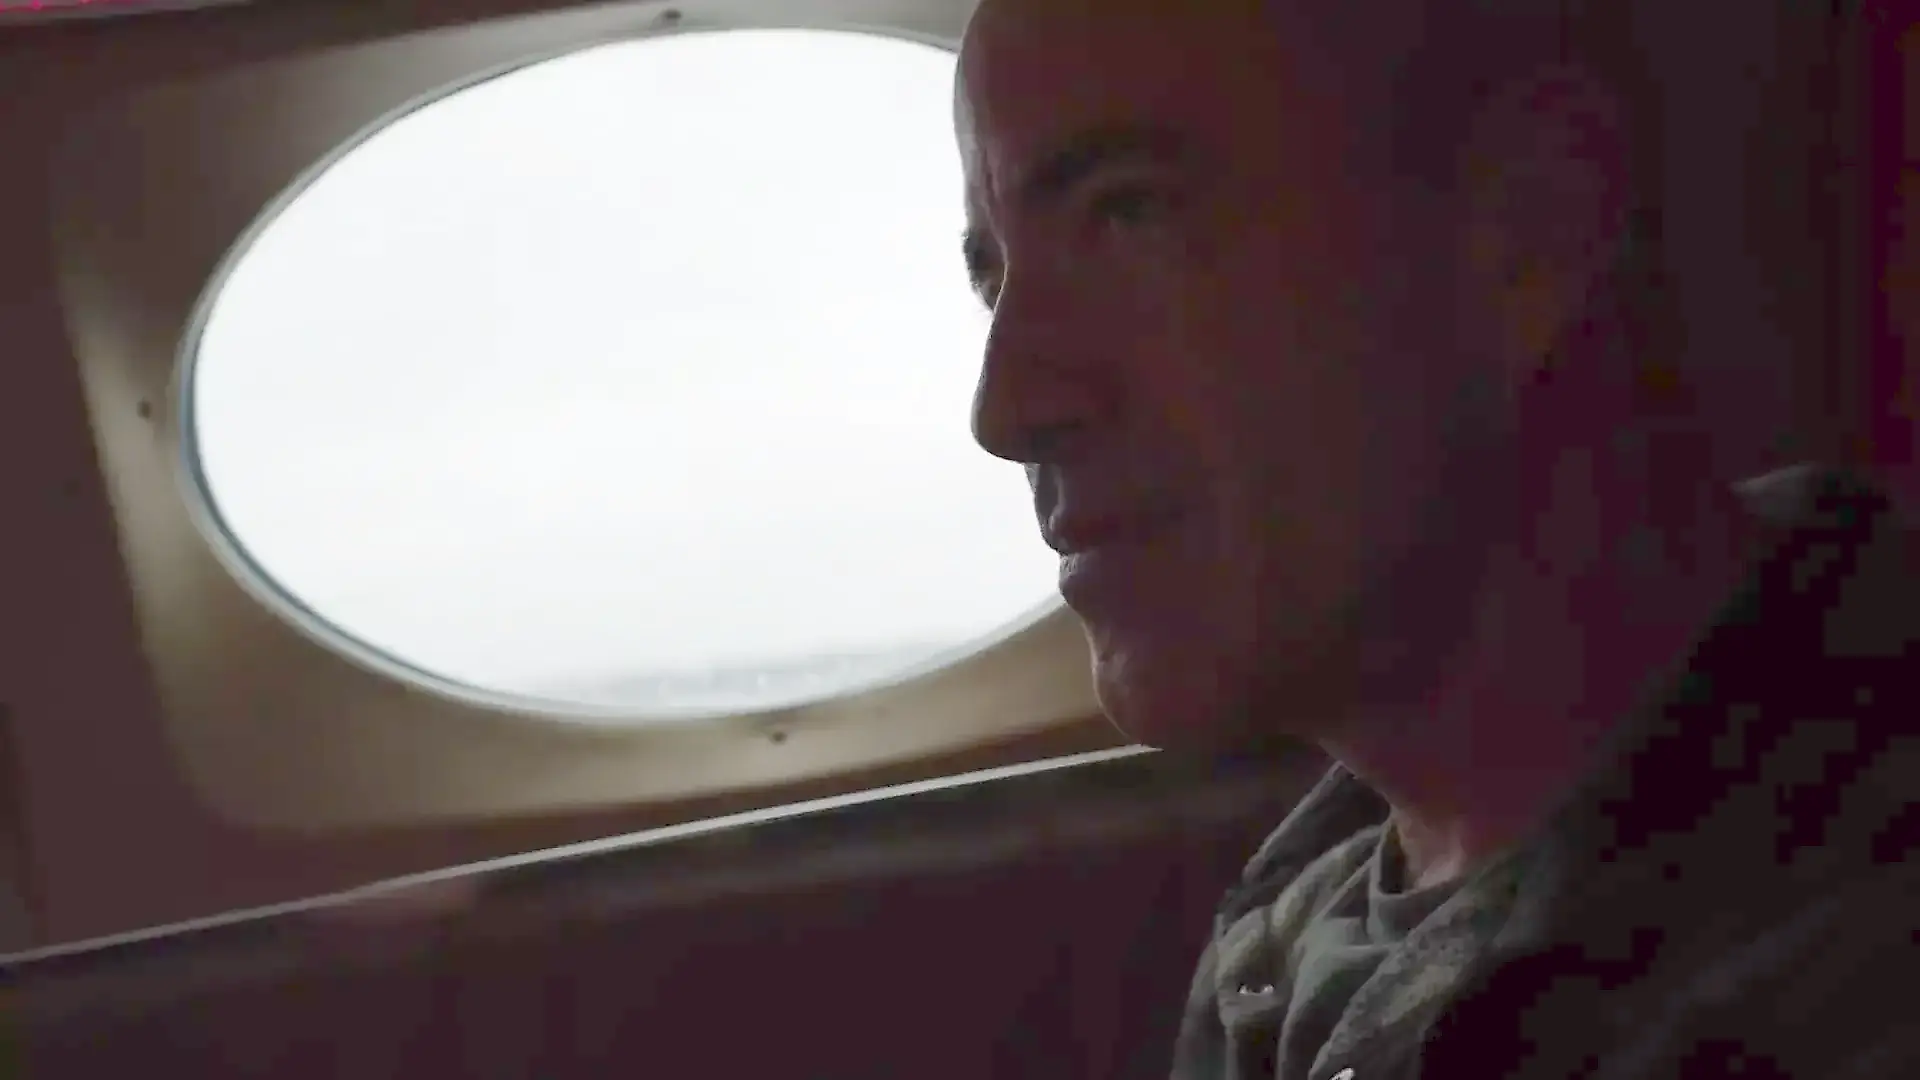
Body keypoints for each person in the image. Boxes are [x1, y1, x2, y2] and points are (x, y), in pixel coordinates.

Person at [954, 1, 1917, 1078]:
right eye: (995, 281)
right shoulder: (1308, 915)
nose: (1008, 410)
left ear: (1532, 225)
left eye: (1128, 216)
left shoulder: (1847, 944)